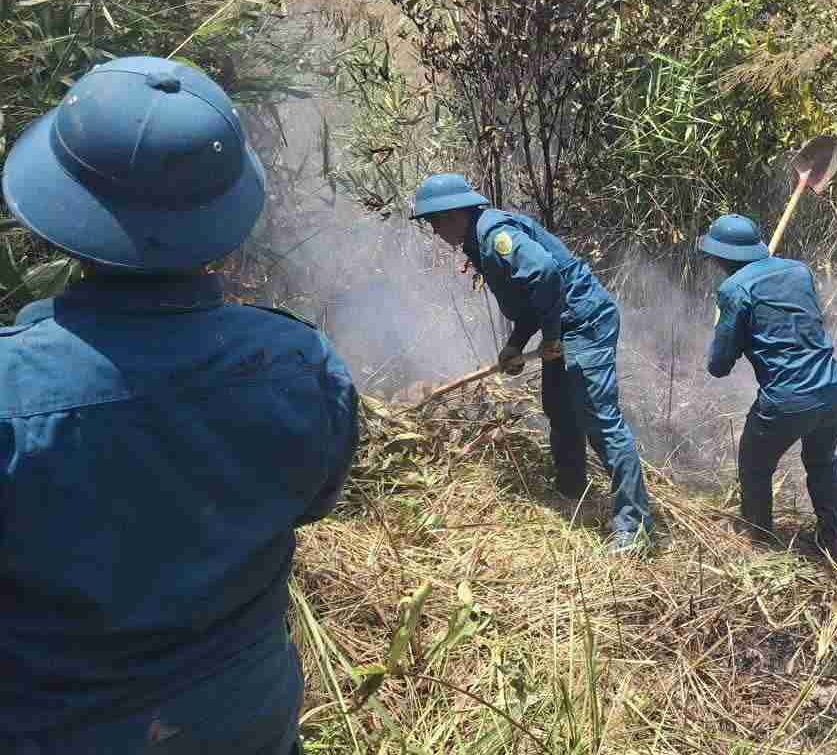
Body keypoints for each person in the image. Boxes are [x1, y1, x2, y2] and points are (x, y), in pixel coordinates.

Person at [0, 57, 359, 755]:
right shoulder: (303, 365)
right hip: (246, 727)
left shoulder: (12, 392)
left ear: (61, 210)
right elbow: (313, 500)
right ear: (222, 217)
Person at [410, 173, 653, 554]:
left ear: (454, 214)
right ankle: (572, 488)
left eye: (435, 222)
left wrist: (553, 336)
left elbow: (544, 274)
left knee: (599, 419)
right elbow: (529, 299)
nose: (436, 231)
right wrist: (515, 344)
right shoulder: (479, 241)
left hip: (584, 322)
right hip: (565, 324)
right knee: (558, 407)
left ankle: (633, 528)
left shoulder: (494, 235)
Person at [698, 214, 837, 558]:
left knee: (754, 464)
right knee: (822, 461)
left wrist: (725, 327)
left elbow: (718, 366)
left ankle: (760, 542)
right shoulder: (799, 270)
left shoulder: (734, 291)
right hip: (832, 386)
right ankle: (830, 540)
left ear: (722, 257)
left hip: (788, 398)